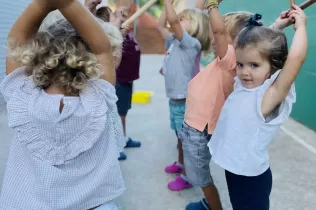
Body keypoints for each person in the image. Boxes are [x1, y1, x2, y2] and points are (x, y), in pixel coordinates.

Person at [0, 0, 125, 209]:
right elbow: (102, 48)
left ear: (36, 55)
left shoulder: (21, 96)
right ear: (91, 59)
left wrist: (42, 5)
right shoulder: (99, 97)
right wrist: (67, 4)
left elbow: (15, 44)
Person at [182, 1, 296, 209]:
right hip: (202, 130)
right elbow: (258, 43)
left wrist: (212, 5)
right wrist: (277, 26)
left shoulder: (232, 61)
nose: (215, 38)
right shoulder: (239, 61)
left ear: (237, 43)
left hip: (202, 129)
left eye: (222, 35)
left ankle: (211, 205)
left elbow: (223, 33)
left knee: (205, 177)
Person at [208, 4, 307, 210]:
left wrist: (301, 27)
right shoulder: (244, 85)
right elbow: (256, 48)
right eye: (241, 64)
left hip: (251, 178)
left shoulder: (267, 97)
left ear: (274, 67)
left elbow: (295, 58)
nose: (244, 72)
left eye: (254, 66)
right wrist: (277, 26)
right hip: (235, 170)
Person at [156, 0, 210, 191]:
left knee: (187, 141)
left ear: (195, 24)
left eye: (183, 18)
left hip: (186, 103)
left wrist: (169, 4)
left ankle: (188, 176)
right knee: (179, 138)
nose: (177, 20)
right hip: (175, 102)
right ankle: (181, 165)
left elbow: (174, 23)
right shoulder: (175, 42)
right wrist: (167, 5)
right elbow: (160, 25)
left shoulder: (191, 44)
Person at [95, 4, 142, 161]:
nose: (118, 15)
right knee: (118, 113)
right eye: (112, 15)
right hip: (119, 80)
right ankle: (117, 143)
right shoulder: (109, 36)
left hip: (128, 79)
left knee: (123, 112)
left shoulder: (121, 32)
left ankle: (123, 137)